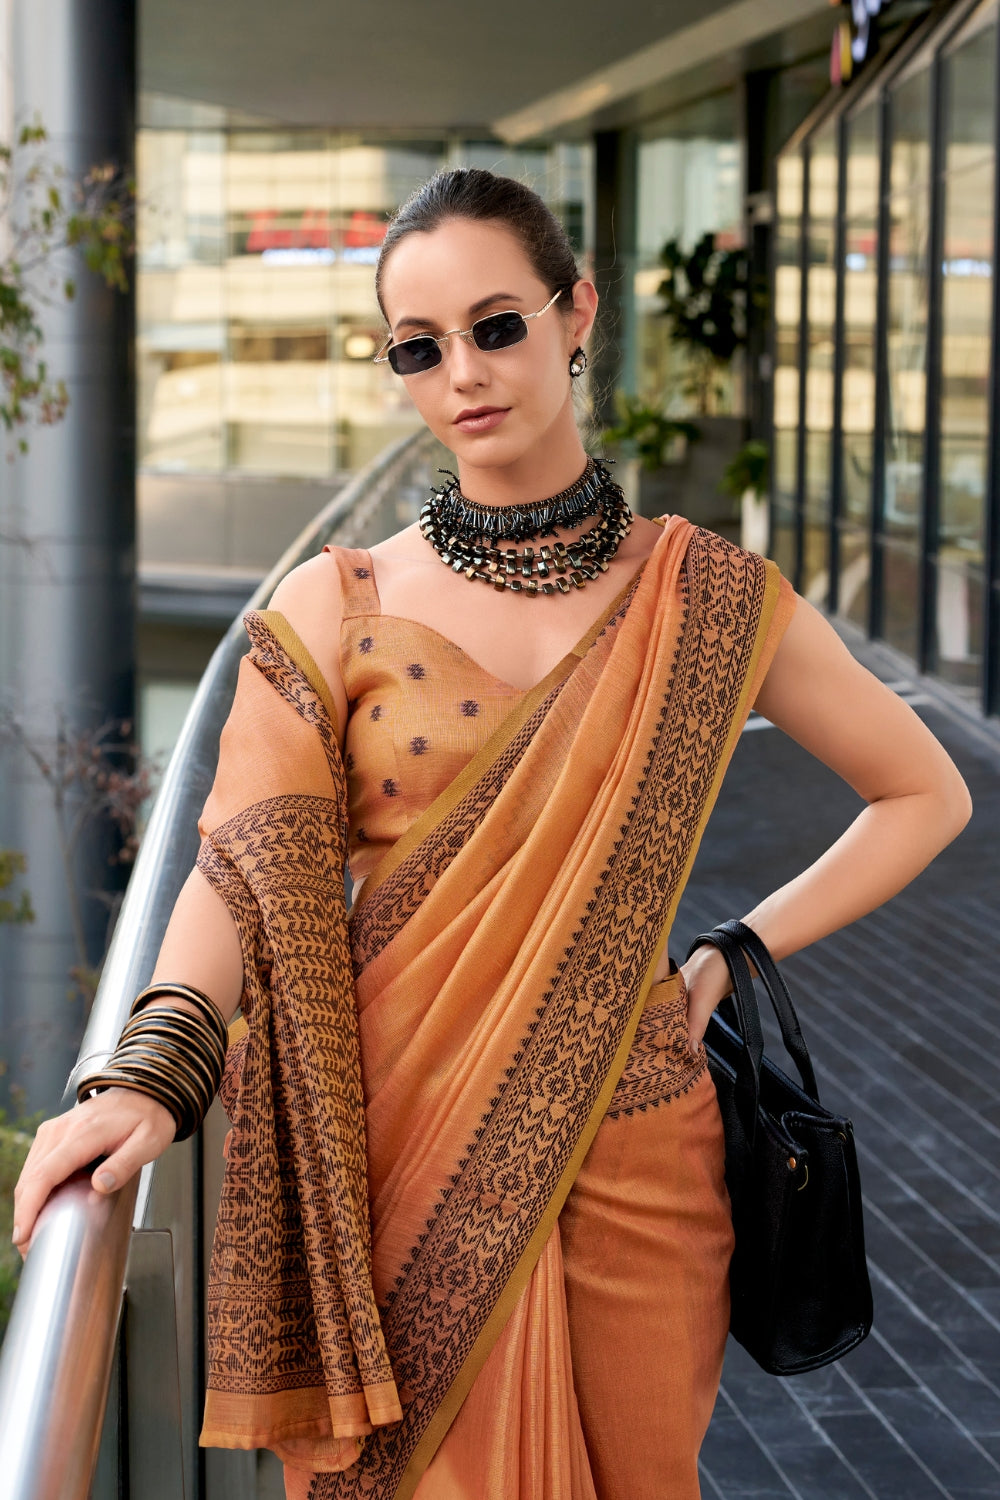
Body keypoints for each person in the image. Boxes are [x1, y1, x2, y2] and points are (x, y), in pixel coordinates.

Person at [12, 168, 972, 1500]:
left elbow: (928, 792)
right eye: (420, 348)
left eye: (497, 325)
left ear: (577, 314)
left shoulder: (706, 598)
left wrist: (729, 952)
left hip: (641, 1148)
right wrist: (146, 1075)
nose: (462, 371)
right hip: (395, 1148)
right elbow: (237, 869)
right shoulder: (336, 603)